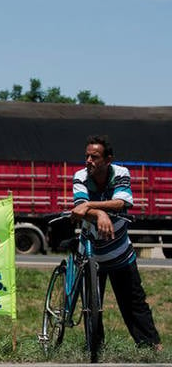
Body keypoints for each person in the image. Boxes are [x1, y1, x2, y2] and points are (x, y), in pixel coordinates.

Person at [71, 135, 162, 352]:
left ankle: (151, 347)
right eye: (87, 156)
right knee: (91, 307)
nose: (88, 161)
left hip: (120, 252)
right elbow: (78, 208)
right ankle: (95, 348)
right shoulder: (80, 176)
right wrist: (100, 214)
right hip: (90, 252)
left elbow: (121, 203)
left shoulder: (121, 173)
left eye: (94, 157)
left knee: (134, 303)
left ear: (108, 159)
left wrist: (94, 207)